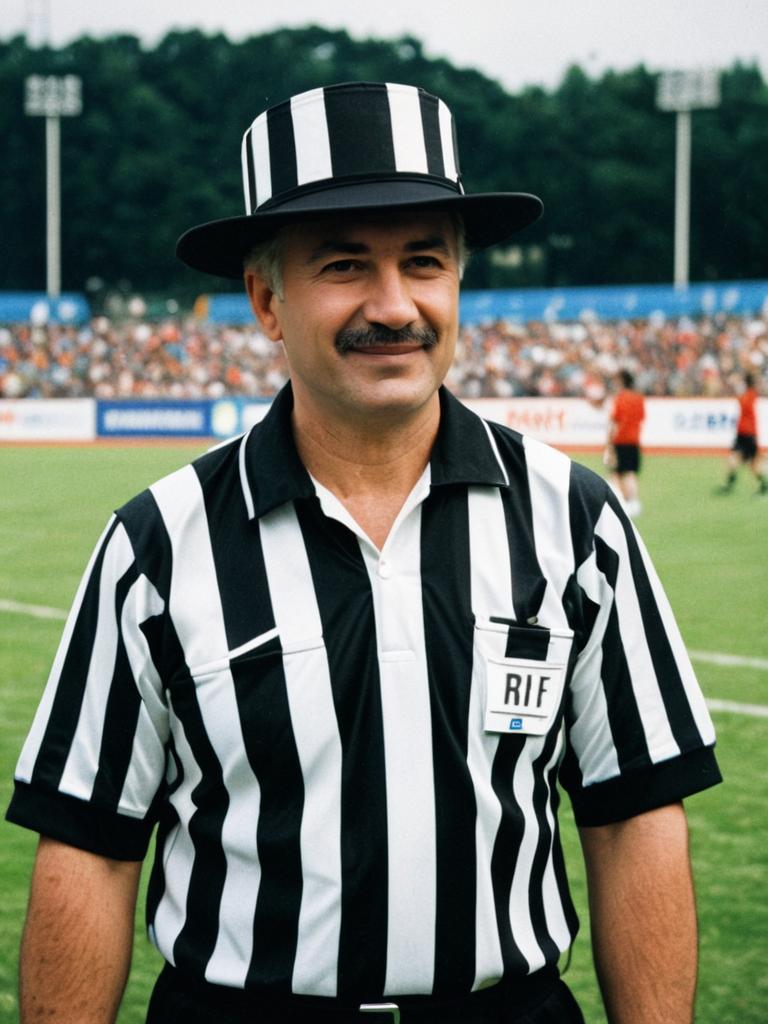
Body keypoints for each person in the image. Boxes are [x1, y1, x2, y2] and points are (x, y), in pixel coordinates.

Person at [7, 82, 721, 1024]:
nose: (394, 305)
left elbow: (635, 819)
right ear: (266, 299)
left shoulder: (576, 521)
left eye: (424, 261)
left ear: (457, 282)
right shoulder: (157, 544)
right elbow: (89, 849)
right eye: (345, 265)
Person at [717, 371, 767, 495]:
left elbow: (742, 403)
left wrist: (735, 384)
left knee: (751, 465)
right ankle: (729, 485)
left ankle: (763, 485)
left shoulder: (750, 395)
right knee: (733, 459)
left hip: (748, 435)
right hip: (743, 435)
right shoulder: (749, 395)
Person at [604, 369, 645, 518]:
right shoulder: (638, 398)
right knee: (630, 472)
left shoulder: (620, 398)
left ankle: (621, 503)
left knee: (616, 473)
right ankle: (634, 502)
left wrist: (609, 443)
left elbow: (615, 422)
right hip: (634, 440)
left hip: (620, 440)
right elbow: (641, 418)